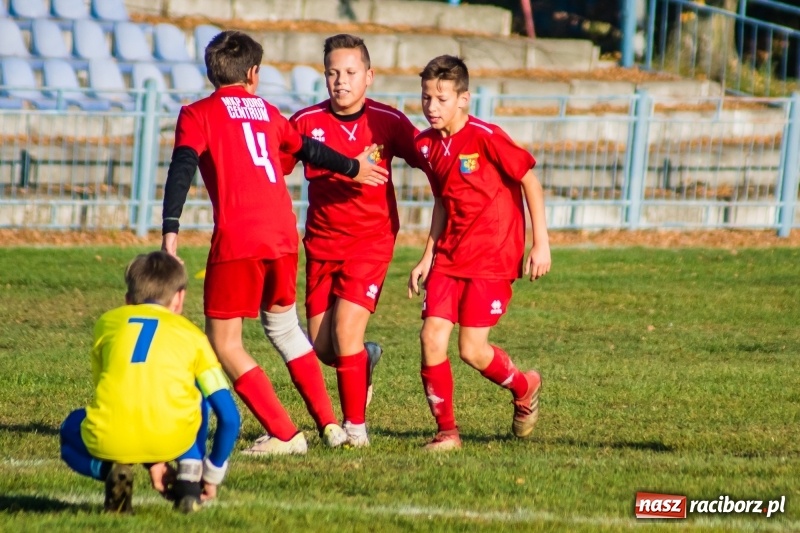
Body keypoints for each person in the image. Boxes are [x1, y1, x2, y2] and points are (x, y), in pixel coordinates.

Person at [161, 31, 389, 455]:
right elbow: (309, 150)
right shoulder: (265, 110)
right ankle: (329, 425)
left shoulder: (197, 113)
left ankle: (285, 433)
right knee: (283, 328)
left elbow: (182, 166)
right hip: (284, 237)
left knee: (225, 343)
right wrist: (353, 167)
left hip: (239, 239)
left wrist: (170, 229)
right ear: (253, 74)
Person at [281, 34, 428, 447]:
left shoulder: (387, 121)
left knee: (346, 333)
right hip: (322, 244)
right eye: (332, 73)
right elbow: (277, 168)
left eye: (350, 73)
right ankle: (367, 359)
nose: (340, 81)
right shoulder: (306, 121)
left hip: (371, 242)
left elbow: (430, 160)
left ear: (369, 76)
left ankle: (355, 430)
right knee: (324, 348)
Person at [408, 55, 551, 451]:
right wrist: (426, 256)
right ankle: (447, 432)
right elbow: (442, 201)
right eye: (425, 98)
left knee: (471, 350)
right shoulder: (425, 145)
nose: (431, 107)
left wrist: (541, 243)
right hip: (450, 257)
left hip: (492, 256)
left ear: (463, 99)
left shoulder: (487, 136)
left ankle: (525, 386)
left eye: (441, 98)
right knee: (431, 337)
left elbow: (530, 182)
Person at [59, 251, 241, 513]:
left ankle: (108, 468)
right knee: (196, 395)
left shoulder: (106, 323)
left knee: (69, 429)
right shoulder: (194, 336)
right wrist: (212, 475)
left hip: (112, 435)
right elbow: (230, 418)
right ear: (179, 299)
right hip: (174, 438)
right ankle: (190, 479)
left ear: (127, 300)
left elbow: (109, 389)